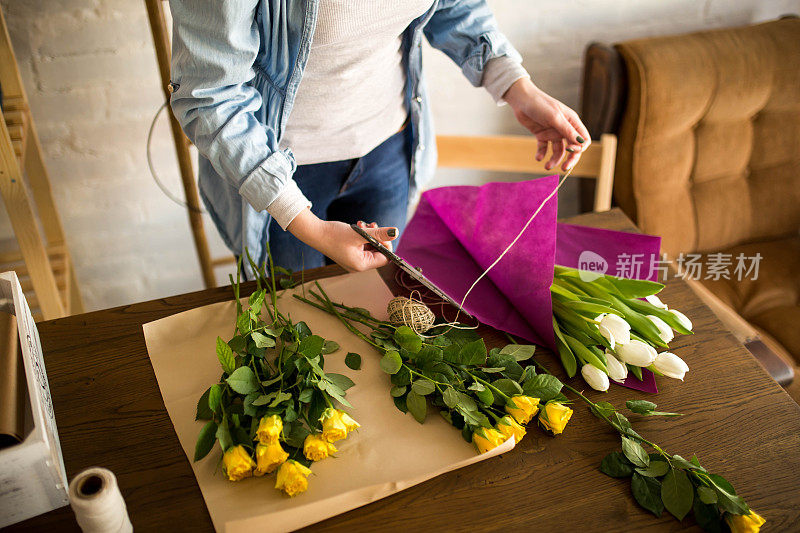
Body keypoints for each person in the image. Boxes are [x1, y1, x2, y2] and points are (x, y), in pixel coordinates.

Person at [168, 0, 591, 275]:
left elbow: (454, 7)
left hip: (390, 152)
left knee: (377, 311)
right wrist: (309, 226)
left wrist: (517, 88)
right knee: (300, 332)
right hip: (282, 176)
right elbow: (211, 97)